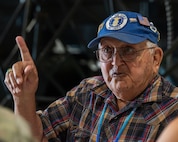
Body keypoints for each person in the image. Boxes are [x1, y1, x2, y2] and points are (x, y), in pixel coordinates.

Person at [4, 10, 178, 142]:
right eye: (107, 51)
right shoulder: (89, 92)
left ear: (155, 58)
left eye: (128, 51)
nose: (116, 62)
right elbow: (33, 136)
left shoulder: (173, 110)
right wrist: (23, 96)